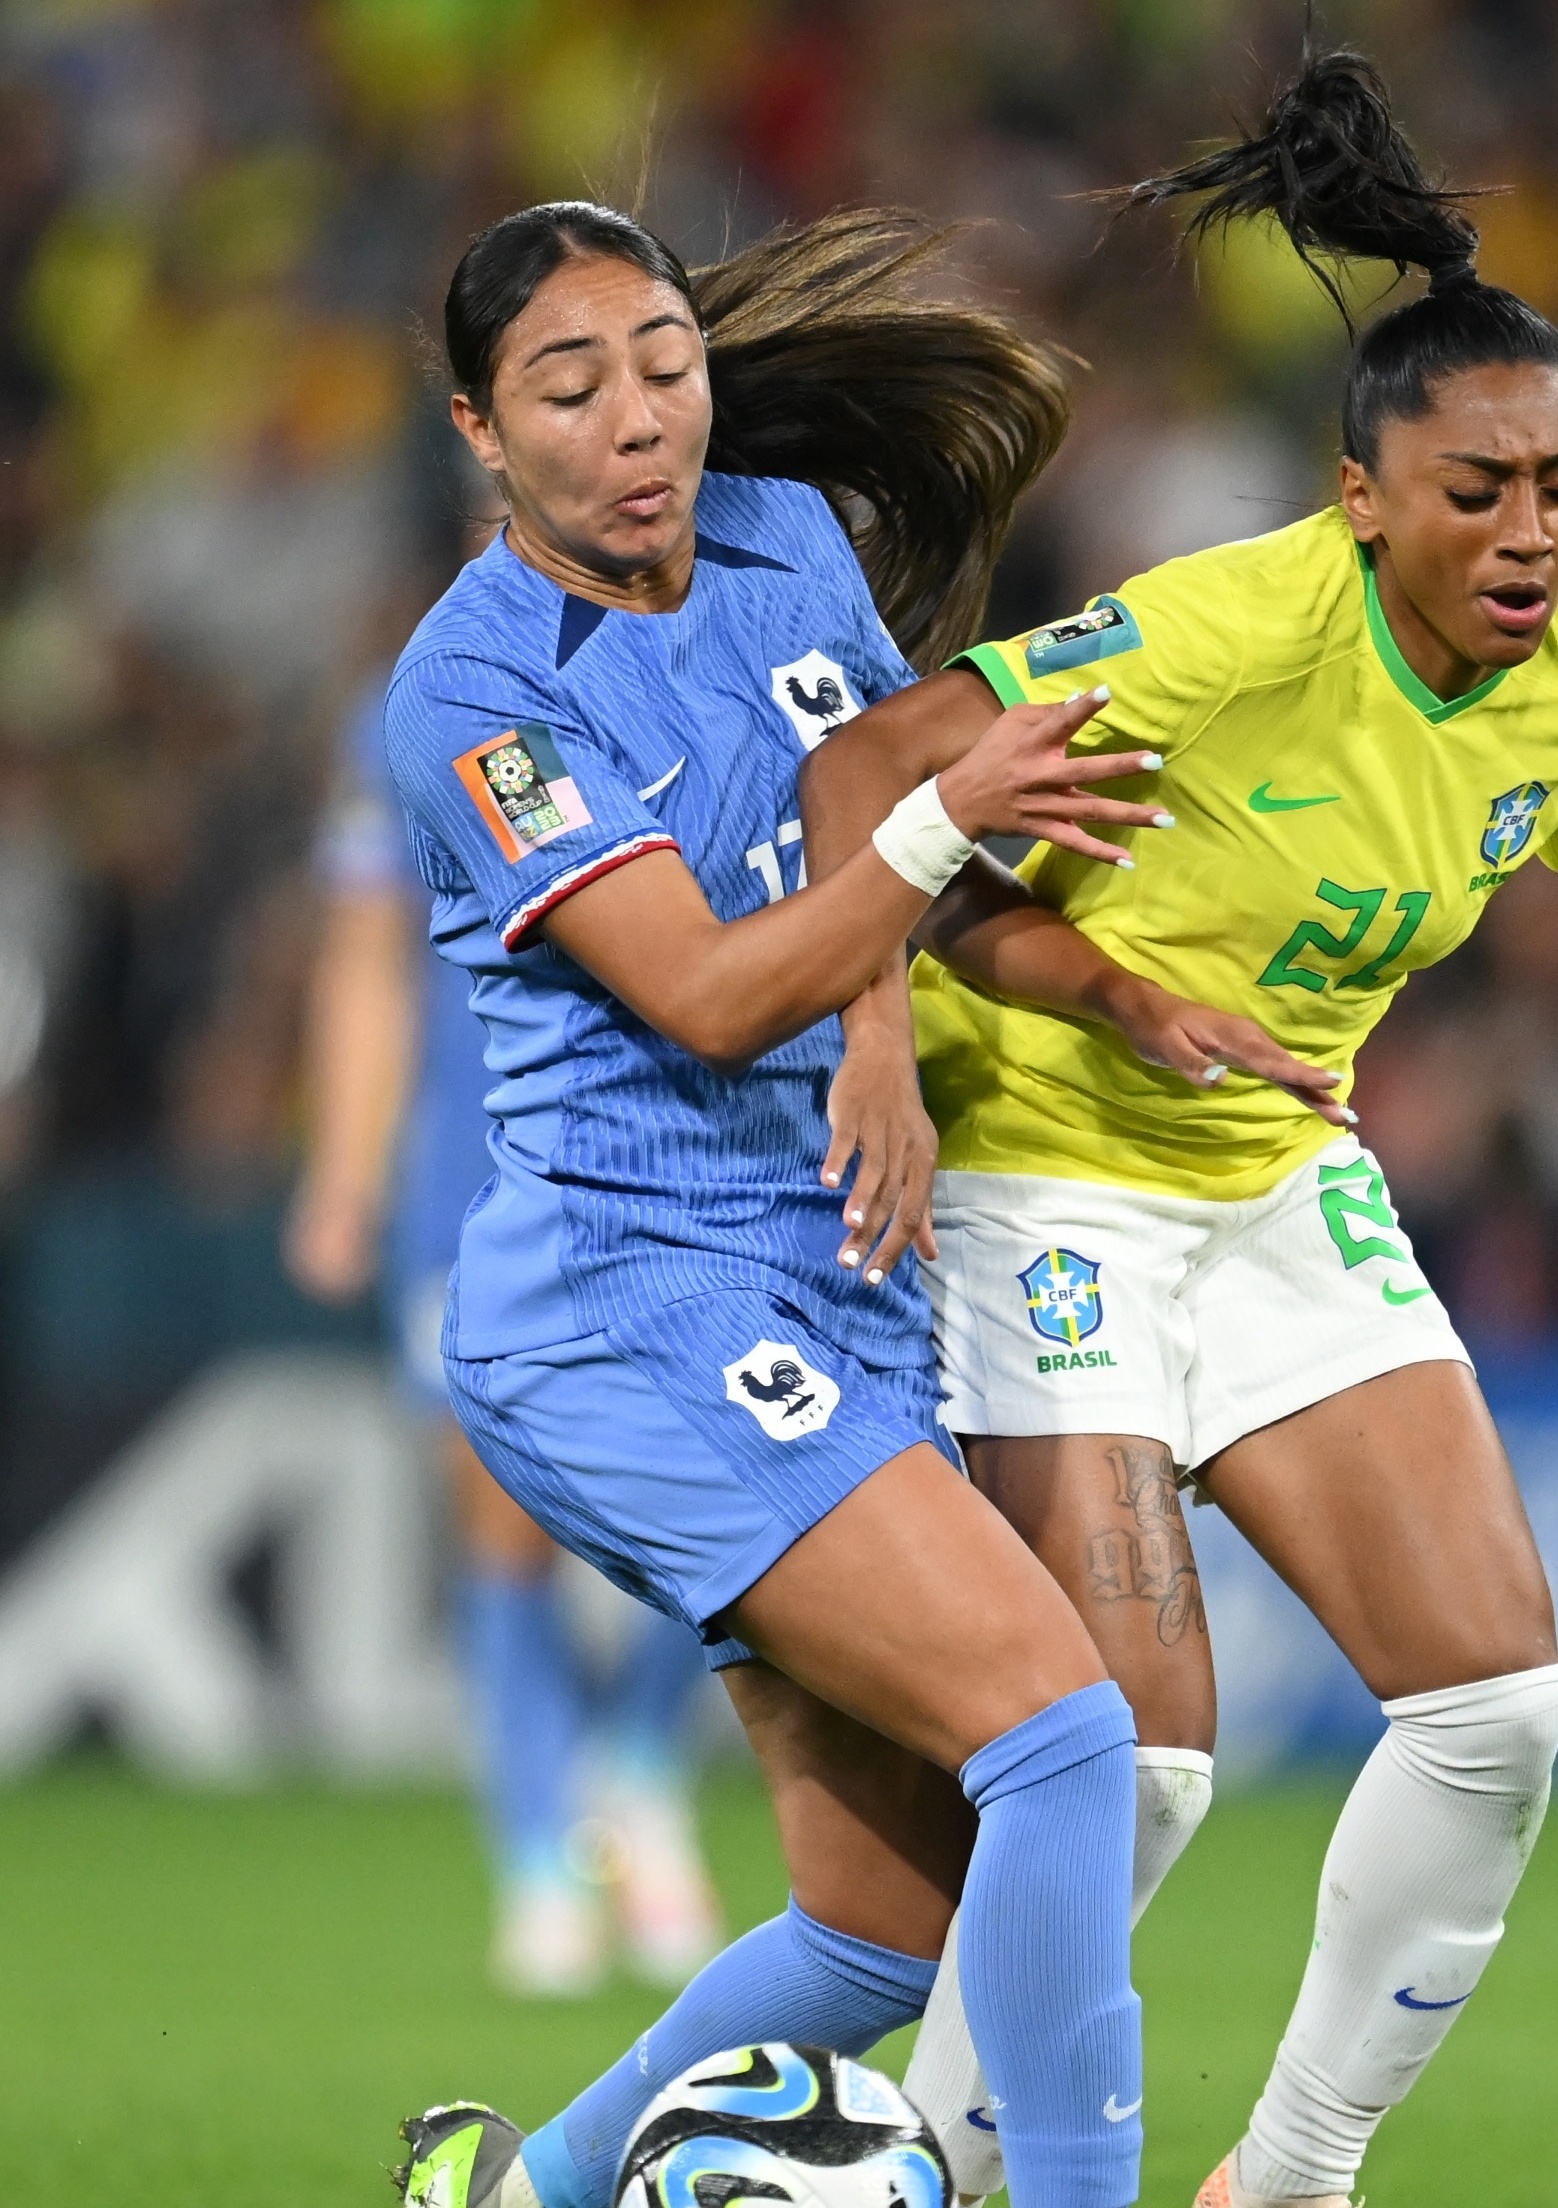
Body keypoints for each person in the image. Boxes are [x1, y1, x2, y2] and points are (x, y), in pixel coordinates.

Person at [796, 49, 1558, 2208]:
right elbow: (870, 768)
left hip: (1276, 1167)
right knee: (1142, 1768)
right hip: (1040, 1166)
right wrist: (873, 1039)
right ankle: (927, 2185)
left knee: (1496, 1714)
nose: (1530, 531)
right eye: (1477, 491)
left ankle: (1287, 2183)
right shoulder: (1228, 627)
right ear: (1363, 495)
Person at [384, 200, 1252, 2208]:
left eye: (665, 364)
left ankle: (521, 2194)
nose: (637, 420)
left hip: (832, 1269)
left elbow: (864, 828)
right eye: (570, 388)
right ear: (479, 432)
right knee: (1059, 1742)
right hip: (632, 1299)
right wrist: (936, 846)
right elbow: (699, 991)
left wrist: (974, 1003)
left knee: (877, 1930)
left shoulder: (783, 542)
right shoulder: (476, 694)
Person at [289, 635, 725, 1999]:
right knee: (496, 1514)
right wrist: (346, 1173)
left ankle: (636, 1766)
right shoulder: (408, 707)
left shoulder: (709, 674)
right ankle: (542, 1860)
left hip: (682, 1165)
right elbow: (366, 958)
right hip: (476, 1175)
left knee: (716, 1503)